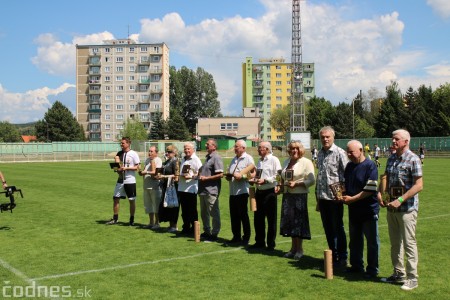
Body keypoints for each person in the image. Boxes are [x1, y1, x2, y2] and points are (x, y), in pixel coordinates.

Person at [379, 129, 423, 291]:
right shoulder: (391, 158)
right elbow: (385, 178)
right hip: (391, 208)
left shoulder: (413, 159)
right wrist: (380, 193)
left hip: (407, 208)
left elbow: (419, 185)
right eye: (392, 139)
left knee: (409, 243)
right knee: (395, 243)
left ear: (406, 141)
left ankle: (413, 278)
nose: (393, 142)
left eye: (396, 139)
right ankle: (399, 273)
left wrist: (400, 199)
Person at [342, 140, 380, 278]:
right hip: (353, 210)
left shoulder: (370, 165)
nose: (349, 154)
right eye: (348, 152)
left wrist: (353, 199)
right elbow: (346, 184)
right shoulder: (349, 166)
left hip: (368, 210)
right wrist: (342, 194)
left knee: (372, 242)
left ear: (361, 150)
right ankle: (356, 266)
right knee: (355, 241)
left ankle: (372, 269)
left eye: (351, 152)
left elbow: (370, 189)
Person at [316, 126, 349, 268]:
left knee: (338, 228)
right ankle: (333, 256)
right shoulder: (320, 153)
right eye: (323, 137)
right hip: (322, 197)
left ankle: (342, 257)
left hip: (335, 198)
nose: (325, 139)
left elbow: (347, 174)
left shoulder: (340, 153)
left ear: (333, 137)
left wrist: (343, 193)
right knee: (328, 228)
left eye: (327, 137)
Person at [280, 141, 315, 259]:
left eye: (297, 148)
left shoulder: (306, 162)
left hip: (299, 195)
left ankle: (299, 249)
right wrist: (280, 186)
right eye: (292, 148)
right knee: (290, 222)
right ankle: (292, 248)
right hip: (287, 195)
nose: (294, 151)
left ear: (301, 149)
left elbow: (311, 180)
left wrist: (297, 184)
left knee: (298, 223)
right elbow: (282, 177)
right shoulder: (286, 162)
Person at [249, 141, 281, 251]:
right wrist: (254, 180)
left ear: (266, 149)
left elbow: (278, 176)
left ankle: (271, 243)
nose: (258, 150)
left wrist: (266, 180)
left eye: (260, 148)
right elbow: (259, 175)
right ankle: (259, 241)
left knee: (271, 219)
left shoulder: (274, 160)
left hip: (270, 192)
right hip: (259, 192)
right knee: (258, 218)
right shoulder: (260, 161)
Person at [225, 139, 255, 246]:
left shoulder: (248, 159)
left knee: (243, 215)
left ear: (243, 148)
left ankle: (246, 238)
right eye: (235, 146)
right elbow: (232, 173)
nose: (235, 148)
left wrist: (242, 176)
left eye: (237, 146)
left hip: (242, 191)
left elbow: (253, 174)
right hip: (232, 191)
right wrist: (229, 176)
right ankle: (236, 236)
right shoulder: (234, 159)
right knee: (234, 216)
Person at [107, 137, 141, 226]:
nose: (121, 144)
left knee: (131, 200)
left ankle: (131, 220)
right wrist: (117, 169)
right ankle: (115, 219)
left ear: (128, 143)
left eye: (123, 143)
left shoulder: (133, 154)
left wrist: (126, 168)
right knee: (115, 198)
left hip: (130, 180)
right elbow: (117, 167)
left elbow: (138, 167)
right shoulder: (119, 154)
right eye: (121, 143)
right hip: (120, 179)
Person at [198, 138, 224, 242]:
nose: (205, 145)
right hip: (203, 190)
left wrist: (206, 178)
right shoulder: (208, 157)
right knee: (204, 213)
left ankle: (214, 233)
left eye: (208, 144)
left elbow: (220, 174)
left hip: (211, 190)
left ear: (214, 146)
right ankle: (207, 231)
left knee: (214, 212)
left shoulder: (216, 157)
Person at [178, 142, 202, 235]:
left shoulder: (196, 160)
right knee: (184, 211)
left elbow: (200, 173)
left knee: (192, 210)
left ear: (193, 149)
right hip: (182, 188)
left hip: (191, 189)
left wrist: (191, 176)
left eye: (188, 149)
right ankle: (186, 227)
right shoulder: (183, 159)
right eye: (185, 149)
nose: (186, 150)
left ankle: (194, 229)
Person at [158, 145, 180, 233]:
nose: (167, 153)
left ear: (174, 152)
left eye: (170, 152)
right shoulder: (167, 161)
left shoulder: (175, 161)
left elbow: (176, 176)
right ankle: (170, 225)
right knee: (168, 205)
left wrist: (164, 176)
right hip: (166, 186)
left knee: (173, 206)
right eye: (167, 152)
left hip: (173, 187)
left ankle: (174, 226)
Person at [140, 146, 162, 229]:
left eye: (151, 151)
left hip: (155, 186)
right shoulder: (147, 160)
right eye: (149, 151)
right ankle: (151, 222)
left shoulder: (158, 160)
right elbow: (145, 170)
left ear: (156, 152)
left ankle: (157, 223)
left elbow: (156, 172)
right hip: (146, 186)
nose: (149, 153)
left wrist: (146, 172)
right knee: (148, 206)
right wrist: (141, 172)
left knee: (156, 206)